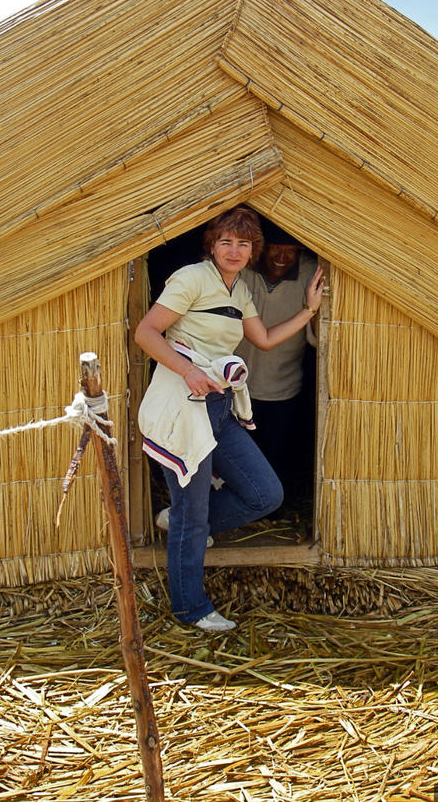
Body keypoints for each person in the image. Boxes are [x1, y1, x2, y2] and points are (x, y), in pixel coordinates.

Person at [135, 207, 324, 632]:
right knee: (191, 510)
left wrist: (309, 310)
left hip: (220, 408)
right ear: (212, 245)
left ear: (252, 249)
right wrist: (187, 369)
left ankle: (183, 522)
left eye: (243, 243)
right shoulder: (190, 279)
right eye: (226, 242)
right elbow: (146, 332)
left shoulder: (239, 290)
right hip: (185, 404)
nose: (235, 250)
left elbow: (266, 340)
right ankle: (190, 607)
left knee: (264, 494)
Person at [236, 221, 318, 512]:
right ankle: (240, 512)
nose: (282, 257)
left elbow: (319, 338)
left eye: (290, 251)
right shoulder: (240, 269)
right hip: (234, 389)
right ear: (261, 248)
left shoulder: (310, 273)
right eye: (275, 248)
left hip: (282, 388)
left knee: (276, 459)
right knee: (237, 463)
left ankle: (274, 514)